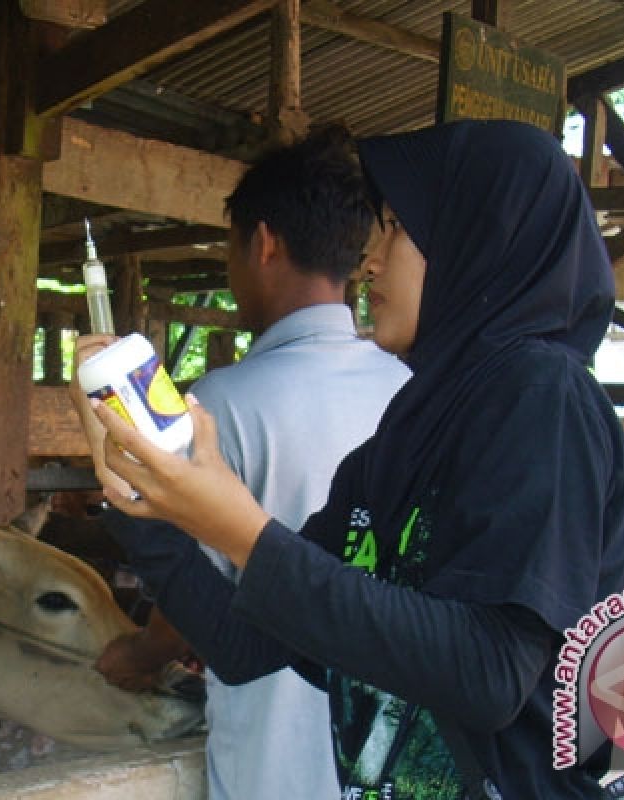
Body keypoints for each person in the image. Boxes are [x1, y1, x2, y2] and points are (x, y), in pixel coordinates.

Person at [78, 120, 624, 798]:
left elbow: (491, 673)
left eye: (400, 227)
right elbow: (245, 646)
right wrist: (142, 495)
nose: (371, 261)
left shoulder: (541, 397)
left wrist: (240, 531)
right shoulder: (406, 434)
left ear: (477, 238)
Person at [71, 128, 410, 799]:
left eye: (229, 251)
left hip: (273, 759)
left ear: (262, 243)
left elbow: (202, 583)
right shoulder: (409, 390)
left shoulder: (216, 404)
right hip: (390, 754)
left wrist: (144, 653)